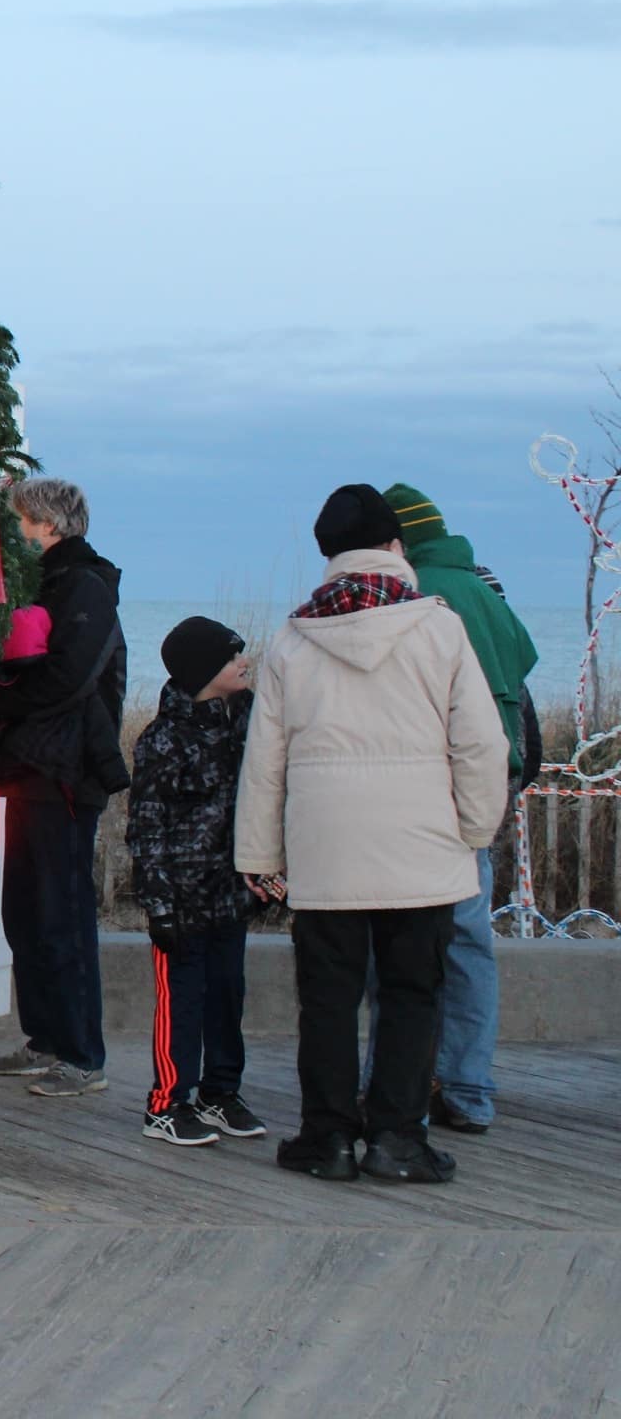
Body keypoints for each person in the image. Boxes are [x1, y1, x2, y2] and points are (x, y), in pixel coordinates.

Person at [237, 485, 507, 1184]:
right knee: (414, 996)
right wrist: (474, 830)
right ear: (394, 548)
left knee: (327, 1000)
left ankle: (327, 1139)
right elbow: (481, 744)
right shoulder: (439, 628)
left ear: (328, 554)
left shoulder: (293, 639)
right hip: (425, 848)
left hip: (327, 851)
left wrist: (260, 856)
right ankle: (398, 1139)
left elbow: (264, 762)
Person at [381, 483, 539, 1134]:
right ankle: (470, 1086)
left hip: (413, 790)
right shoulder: (483, 588)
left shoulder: (406, 595)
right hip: (484, 787)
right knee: (470, 941)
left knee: (391, 946)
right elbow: (521, 672)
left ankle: (392, 1085)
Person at [0, 477, 129, 1098]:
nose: (11, 533)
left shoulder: (85, 587)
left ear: (48, 526)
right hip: (29, 769)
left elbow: (68, 678)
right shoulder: (44, 587)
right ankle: (45, 1039)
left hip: (67, 774)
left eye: (18, 521)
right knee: (25, 913)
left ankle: (81, 1055)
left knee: (63, 915)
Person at [129, 617, 273, 1147]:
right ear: (202, 669)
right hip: (181, 899)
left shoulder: (247, 722)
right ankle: (167, 1103)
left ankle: (220, 1093)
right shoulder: (163, 739)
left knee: (227, 995)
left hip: (229, 893)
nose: (244, 661)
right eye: (232, 655)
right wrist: (159, 904)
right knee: (182, 1001)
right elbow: (146, 825)